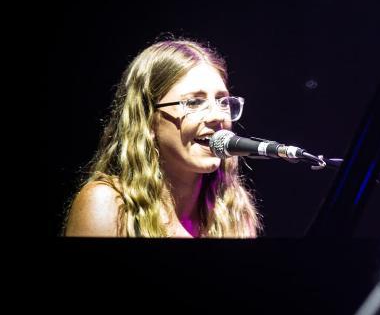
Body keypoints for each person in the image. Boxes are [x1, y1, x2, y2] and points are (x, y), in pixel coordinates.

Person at [63, 40, 261, 238]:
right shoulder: (108, 206)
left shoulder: (234, 213)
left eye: (222, 101)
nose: (217, 116)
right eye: (194, 102)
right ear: (147, 118)